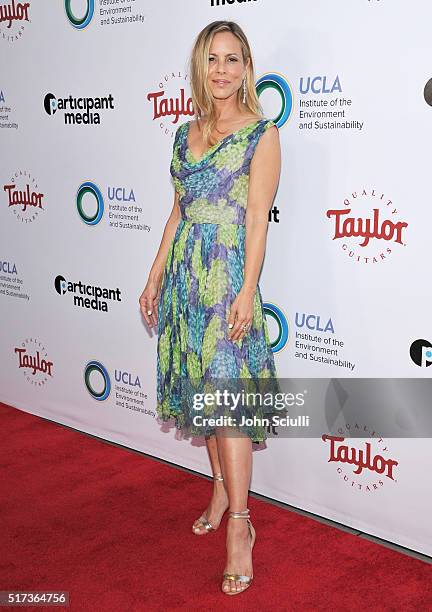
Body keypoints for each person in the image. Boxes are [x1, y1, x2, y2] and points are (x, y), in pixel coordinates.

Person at [139, 20, 281, 596]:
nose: (222, 70)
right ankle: (220, 487)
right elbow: (178, 212)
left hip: (226, 282)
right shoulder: (184, 132)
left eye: (233, 59)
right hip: (183, 281)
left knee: (226, 401)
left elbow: (255, 221)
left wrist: (247, 289)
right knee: (204, 396)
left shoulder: (261, 134)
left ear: (246, 67)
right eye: (213, 59)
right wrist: (153, 277)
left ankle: (241, 527)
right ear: (201, 66)